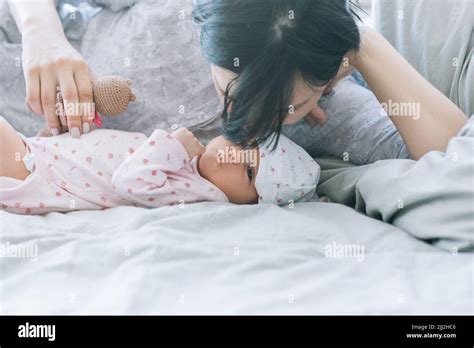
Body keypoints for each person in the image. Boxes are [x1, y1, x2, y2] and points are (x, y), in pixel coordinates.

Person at [192, 0, 468, 160]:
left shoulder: (331, 111)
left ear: (327, 82)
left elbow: (455, 158)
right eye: (227, 91)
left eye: (281, 109)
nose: (242, 120)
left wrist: (366, 47)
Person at [0, 116, 320, 214]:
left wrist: (176, 144)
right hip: (44, 153)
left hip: (41, 175)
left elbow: (129, 181)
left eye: (249, 172)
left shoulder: (201, 194)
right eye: (244, 146)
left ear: (255, 202)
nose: (232, 156)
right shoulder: (195, 165)